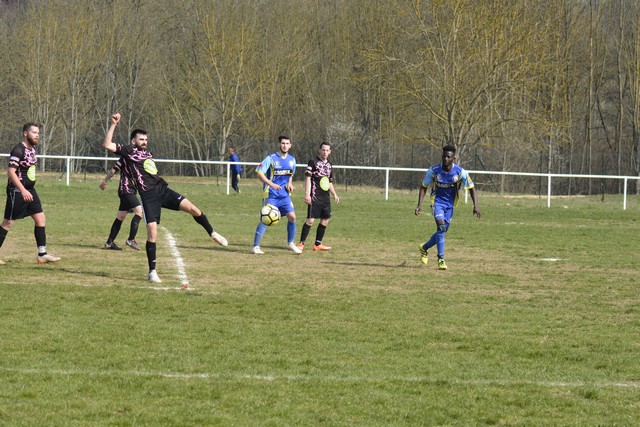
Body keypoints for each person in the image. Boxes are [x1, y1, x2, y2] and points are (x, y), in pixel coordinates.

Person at [102, 113, 228, 283]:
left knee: (193, 209)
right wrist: (113, 124)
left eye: (146, 139)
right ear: (133, 141)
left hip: (162, 190)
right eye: (141, 139)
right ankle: (152, 272)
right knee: (152, 232)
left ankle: (212, 233)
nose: (144, 142)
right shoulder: (129, 151)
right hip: (148, 196)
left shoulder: (149, 153)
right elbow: (107, 145)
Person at [0, 123, 61, 265]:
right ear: (25, 133)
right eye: (34, 132)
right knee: (8, 222)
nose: (37, 135)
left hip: (30, 191)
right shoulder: (18, 150)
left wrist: (28, 189)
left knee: (40, 218)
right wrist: (22, 190)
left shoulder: (32, 149)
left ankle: (42, 254)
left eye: (38, 133)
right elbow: (11, 172)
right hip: (17, 191)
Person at [415, 145, 480, 270]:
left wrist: (475, 205)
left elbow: (472, 188)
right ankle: (441, 259)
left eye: (448, 157)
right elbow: (424, 186)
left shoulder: (460, 172)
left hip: (450, 205)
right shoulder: (434, 171)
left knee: (442, 232)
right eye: (444, 156)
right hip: (436, 203)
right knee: (441, 227)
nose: (446, 159)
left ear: (453, 158)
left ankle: (424, 247)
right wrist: (419, 205)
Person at [251, 135, 302, 254]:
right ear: (279, 144)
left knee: (292, 217)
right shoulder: (271, 158)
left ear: (290, 145)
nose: (285, 145)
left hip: (284, 195)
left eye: (287, 143)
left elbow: (290, 175)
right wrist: (271, 184)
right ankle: (256, 246)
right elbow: (259, 173)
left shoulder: (292, 160)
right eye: (283, 143)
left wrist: (290, 184)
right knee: (266, 218)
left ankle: (291, 243)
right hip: (271, 194)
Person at [297, 142, 340, 251]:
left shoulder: (330, 164)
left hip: (325, 197)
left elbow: (329, 181)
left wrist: (334, 194)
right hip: (315, 196)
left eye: (327, 150)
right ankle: (301, 244)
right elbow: (308, 178)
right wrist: (307, 194)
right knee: (310, 220)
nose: (325, 152)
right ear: (320, 150)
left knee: (325, 220)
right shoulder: (313, 162)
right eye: (323, 150)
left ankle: (318, 244)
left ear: (330, 152)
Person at [99, 157, 143, 251]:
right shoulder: (126, 158)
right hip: (127, 191)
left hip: (126, 191)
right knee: (139, 212)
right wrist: (105, 181)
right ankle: (131, 239)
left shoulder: (137, 157)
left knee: (120, 217)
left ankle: (109, 243)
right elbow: (113, 170)